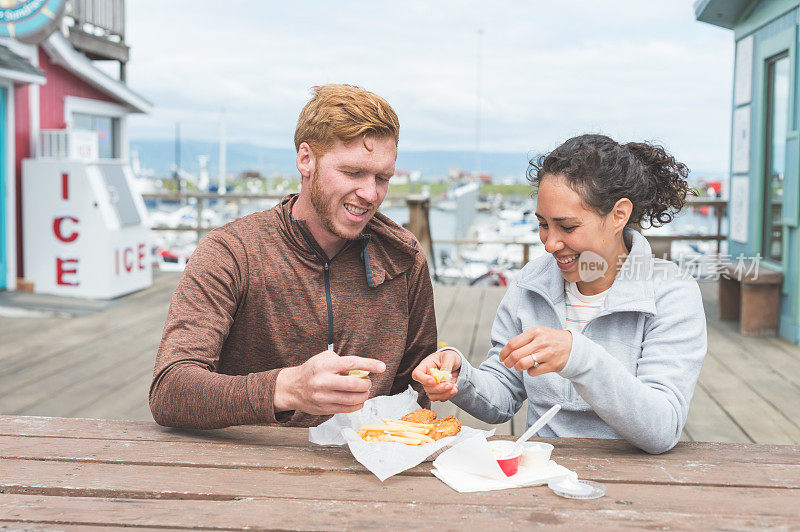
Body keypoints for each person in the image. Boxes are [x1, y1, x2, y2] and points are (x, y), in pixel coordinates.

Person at [150, 84, 437, 429]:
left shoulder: (403, 257)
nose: (370, 193)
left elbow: (416, 394)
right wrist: (287, 389)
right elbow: (170, 390)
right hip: (249, 469)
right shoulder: (231, 252)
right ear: (306, 159)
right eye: (352, 173)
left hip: (369, 468)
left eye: (382, 177)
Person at [413, 134, 707, 454]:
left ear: (619, 215)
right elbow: (503, 395)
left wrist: (577, 357)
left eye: (567, 227)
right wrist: (461, 376)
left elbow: (661, 430)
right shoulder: (532, 283)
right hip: (540, 472)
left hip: (632, 482)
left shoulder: (673, 293)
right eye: (543, 225)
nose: (550, 244)